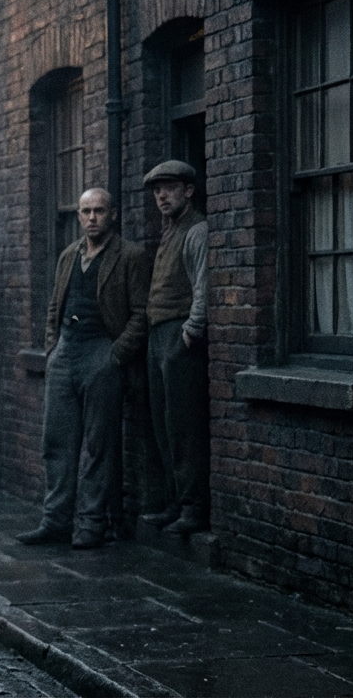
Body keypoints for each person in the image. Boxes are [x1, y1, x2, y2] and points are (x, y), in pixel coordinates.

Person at [16, 188, 151, 549]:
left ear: (113, 215)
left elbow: (142, 313)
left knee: (98, 445)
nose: (92, 218)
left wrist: (115, 355)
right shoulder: (67, 257)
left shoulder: (130, 256)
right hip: (66, 351)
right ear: (77, 215)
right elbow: (54, 305)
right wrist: (51, 347)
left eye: (99, 211)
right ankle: (55, 520)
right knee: (56, 441)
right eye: (86, 211)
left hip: (101, 354)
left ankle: (91, 523)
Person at [141, 160, 211, 536]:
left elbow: (203, 286)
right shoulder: (169, 231)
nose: (161, 196)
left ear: (188, 190)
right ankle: (174, 501)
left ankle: (193, 507)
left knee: (184, 426)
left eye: (169, 188)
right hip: (157, 336)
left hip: (179, 338)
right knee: (162, 424)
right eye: (157, 190)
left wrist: (190, 333)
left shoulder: (197, 230)